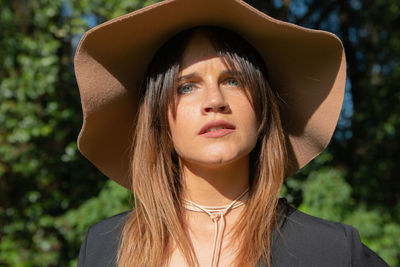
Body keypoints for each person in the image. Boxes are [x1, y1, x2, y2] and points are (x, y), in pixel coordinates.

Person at [74, 0, 389, 266]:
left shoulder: (332, 251)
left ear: (263, 110)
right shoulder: (104, 248)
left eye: (233, 81)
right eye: (186, 87)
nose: (215, 101)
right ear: (157, 120)